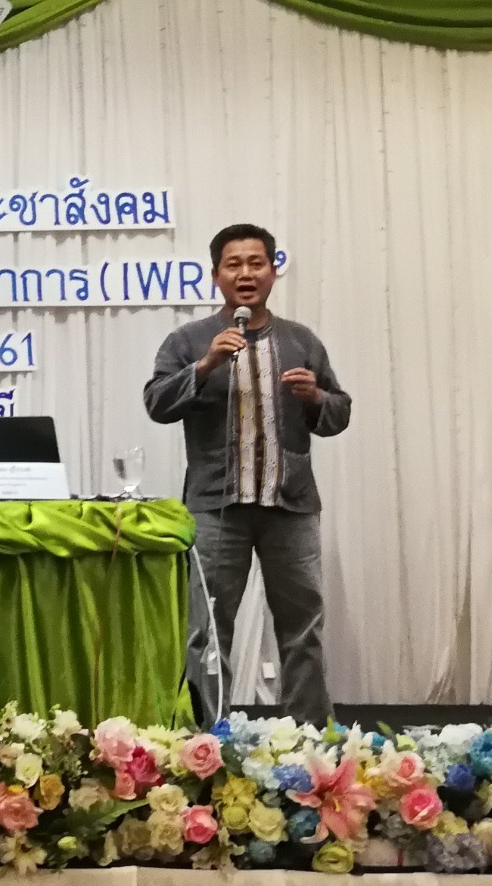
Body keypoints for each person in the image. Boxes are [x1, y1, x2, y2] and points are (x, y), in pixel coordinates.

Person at [143, 224, 350, 721]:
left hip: (291, 506)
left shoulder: (301, 341)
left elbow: (339, 413)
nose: (246, 274)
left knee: (303, 627)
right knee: (207, 631)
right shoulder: (189, 340)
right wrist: (205, 365)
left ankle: (310, 736)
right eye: (233, 265)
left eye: (256, 263)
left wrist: (315, 398)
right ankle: (206, 736)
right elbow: (156, 403)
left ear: (273, 272)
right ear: (216, 275)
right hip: (216, 508)